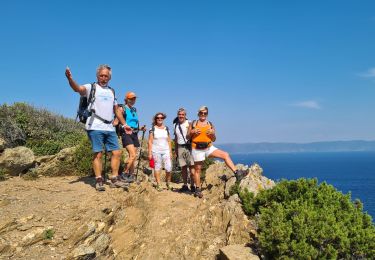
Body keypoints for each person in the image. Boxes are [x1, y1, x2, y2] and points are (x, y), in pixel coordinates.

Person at [65, 64, 128, 191]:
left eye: (106, 76)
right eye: (101, 75)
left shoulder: (111, 91)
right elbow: (78, 89)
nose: (103, 78)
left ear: (109, 77)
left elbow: (116, 110)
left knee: (117, 152)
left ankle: (114, 178)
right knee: (98, 154)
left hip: (109, 127)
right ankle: (99, 179)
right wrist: (70, 79)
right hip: (94, 125)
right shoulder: (91, 87)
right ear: (97, 76)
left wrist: (124, 124)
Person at [187, 106, 249, 198]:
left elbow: (214, 139)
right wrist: (192, 131)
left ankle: (237, 173)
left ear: (207, 114)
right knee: (198, 170)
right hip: (197, 149)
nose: (203, 115)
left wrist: (212, 134)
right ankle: (198, 189)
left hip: (208, 147)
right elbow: (187, 137)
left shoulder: (210, 124)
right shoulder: (193, 123)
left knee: (225, 155)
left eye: (205, 113)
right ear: (198, 113)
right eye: (201, 113)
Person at [113, 91, 146, 183]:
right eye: (131, 98)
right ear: (126, 99)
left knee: (134, 157)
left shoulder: (134, 110)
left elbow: (133, 124)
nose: (132, 100)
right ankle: (124, 174)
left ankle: (131, 176)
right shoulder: (122, 108)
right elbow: (116, 121)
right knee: (132, 155)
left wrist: (140, 128)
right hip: (126, 133)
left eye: (134, 99)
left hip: (134, 133)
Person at [148, 112, 173, 191]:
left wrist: (170, 152)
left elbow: (169, 141)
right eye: (158, 118)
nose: (160, 119)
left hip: (166, 150)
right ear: (156, 119)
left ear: (163, 119)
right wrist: (149, 153)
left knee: (168, 167)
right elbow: (150, 141)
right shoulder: (152, 129)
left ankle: (168, 183)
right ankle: (159, 184)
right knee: (157, 167)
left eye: (161, 118)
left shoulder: (166, 128)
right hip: (156, 151)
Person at [173, 108, 196, 192]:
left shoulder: (189, 123)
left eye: (183, 114)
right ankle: (185, 185)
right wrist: (176, 150)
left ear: (185, 115)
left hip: (189, 146)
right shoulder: (175, 125)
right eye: (179, 114)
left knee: (191, 167)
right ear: (177, 115)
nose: (181, 116)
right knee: (183, 167)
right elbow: (175, 138)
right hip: (180, 147)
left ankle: (193, 185)